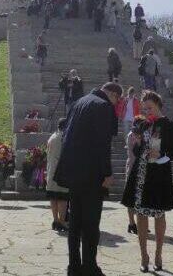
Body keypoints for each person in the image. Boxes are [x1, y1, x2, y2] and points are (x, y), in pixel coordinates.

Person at [54, 82, 122, 276]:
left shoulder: (78, 102)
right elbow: (103, 143)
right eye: (117, 98)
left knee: (75, 223)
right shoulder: (103, 106)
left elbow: (66, 135)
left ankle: (74, 266)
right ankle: (90, 267)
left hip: (74, 172)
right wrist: (107, 172)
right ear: (112, 94)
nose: (116, 103)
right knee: (91, 224)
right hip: (92, 173)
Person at [121, 92, 173, 271]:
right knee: (141, 214)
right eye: (144, 108)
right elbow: (138, 152)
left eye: (149, 108)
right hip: (141, 174)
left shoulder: (169, 125)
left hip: (159, 174)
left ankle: (158, 254)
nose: (146, 111)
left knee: (159, 214)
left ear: (158, 105)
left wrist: (161, 154)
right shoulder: (143, 125)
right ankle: (143, 255)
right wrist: (137, 143)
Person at [46, 118, 70, 232]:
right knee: (62, 198)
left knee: (53, 197)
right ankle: (62, 221)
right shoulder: (65, 138)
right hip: (62, 172)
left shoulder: (52, 137)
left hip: (51, 171)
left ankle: (55, 220)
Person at [125, 116, 145, 234]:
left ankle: (140, 222)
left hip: (139, 168)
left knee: (139, 197)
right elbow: (135, 152)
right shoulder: (131, 135)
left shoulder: (140, 135)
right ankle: (132, 223)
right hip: (132, 167)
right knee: (130, 198)